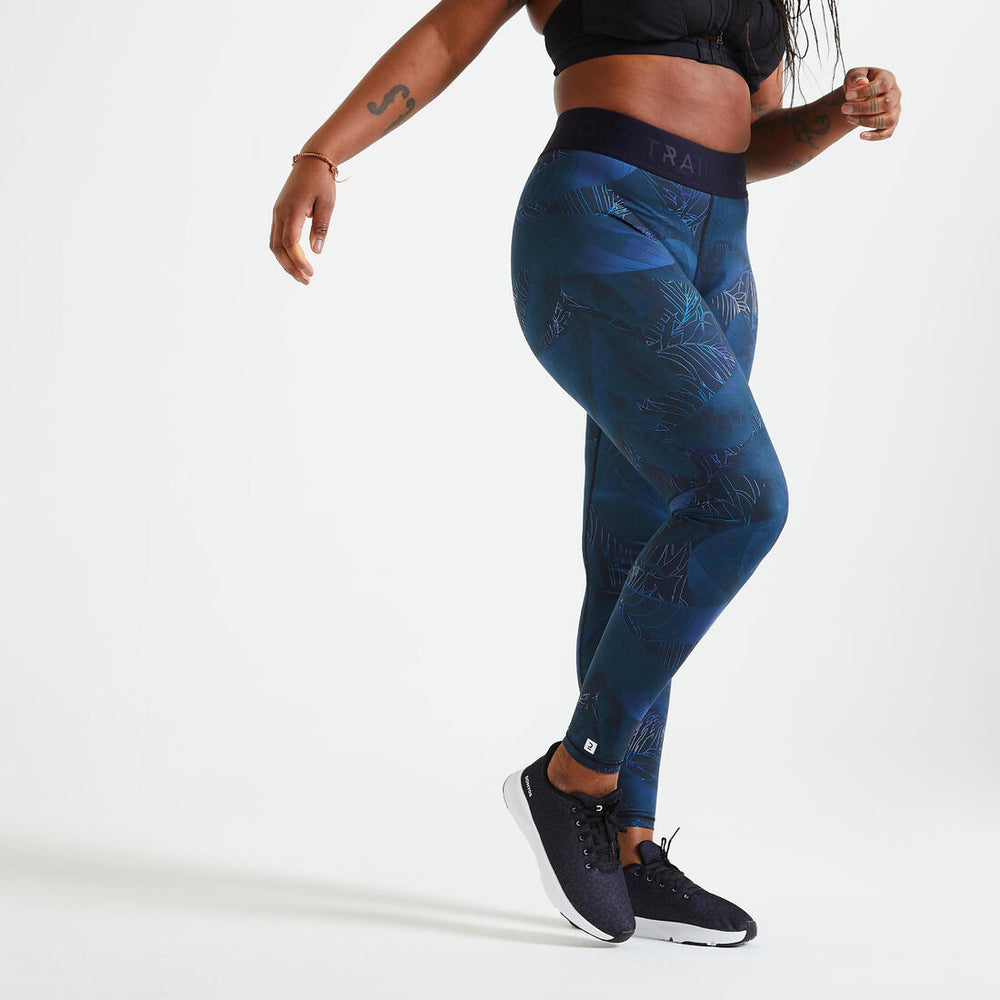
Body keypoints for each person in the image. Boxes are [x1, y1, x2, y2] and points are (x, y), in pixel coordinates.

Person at [270, 0, 902, 947]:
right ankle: (573, 778)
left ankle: (627, 843)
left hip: (717, 257)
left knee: (645, 547)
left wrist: (836, 115)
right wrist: (322, 155)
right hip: (601, 217)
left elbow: (753, 140)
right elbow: (447, 34)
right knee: (742, 498)